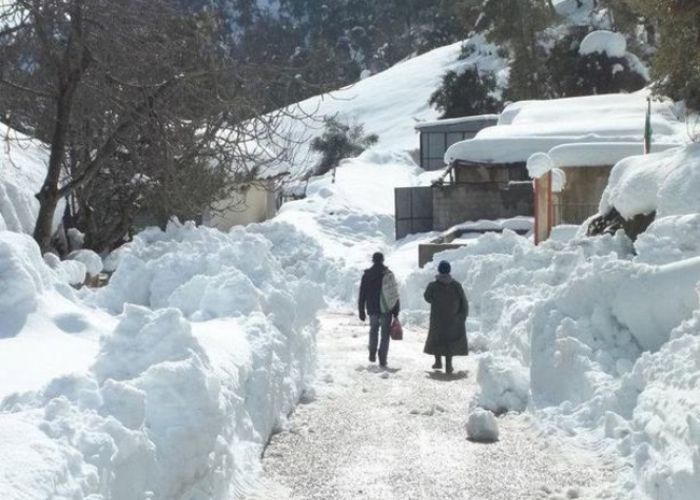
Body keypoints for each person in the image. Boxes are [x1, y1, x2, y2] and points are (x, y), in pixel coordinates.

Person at [423, 260, 468, 374]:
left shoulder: (433, 286)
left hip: (437, 319)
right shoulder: (456, 285)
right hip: (453, 319)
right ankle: (449, 365)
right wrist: (462, 315)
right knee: (450, 341)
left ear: (439, 270)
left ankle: (438, 361)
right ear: (449, 270)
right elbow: (464, 301)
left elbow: (427, 297)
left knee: (437, 338)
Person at [358, 252, 400, 367]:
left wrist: (361, 310)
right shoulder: (388, 274)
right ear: (382, 260)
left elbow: (362, 294)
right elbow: (393, 293)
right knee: (385, 333)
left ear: (373, 260)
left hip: (372, 308)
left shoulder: (367, 275)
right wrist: (396, 310)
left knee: (373, 330)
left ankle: (372, 353)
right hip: (386, 308)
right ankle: (382, 358)